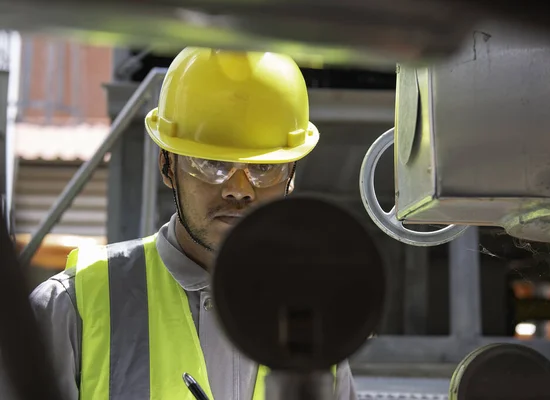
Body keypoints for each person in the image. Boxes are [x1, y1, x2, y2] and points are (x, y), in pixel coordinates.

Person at [0, 47, 358, 400]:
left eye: (263, 168)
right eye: (210, 164)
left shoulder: (315, 319)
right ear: (167, 166)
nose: (238, 189)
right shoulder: (72, 307)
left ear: (291, 177)